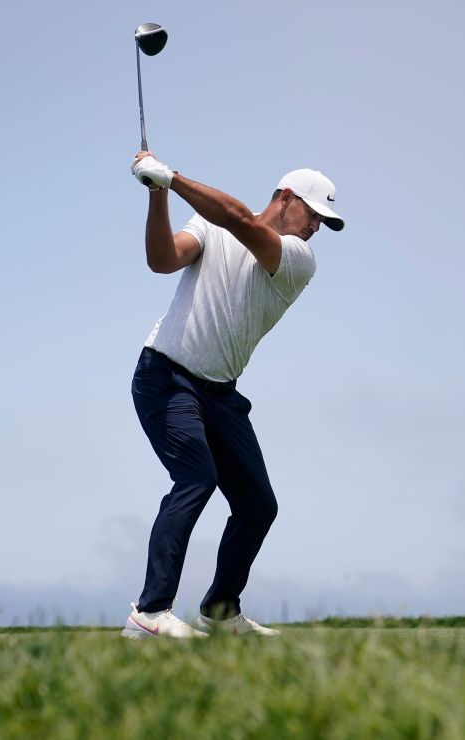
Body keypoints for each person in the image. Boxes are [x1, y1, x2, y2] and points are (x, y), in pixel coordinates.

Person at [120, 151, 344, 639]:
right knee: (196, 478)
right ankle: (149, 613)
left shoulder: (298, 260)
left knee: (258, 503)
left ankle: (220, 611)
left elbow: (240, 220)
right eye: (314, 216)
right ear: (286, 199)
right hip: (165, 376)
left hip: (220, 393)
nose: (316, 230)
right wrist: (158, 193)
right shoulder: (209, 224)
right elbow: (161, 260)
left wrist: (172, 178)